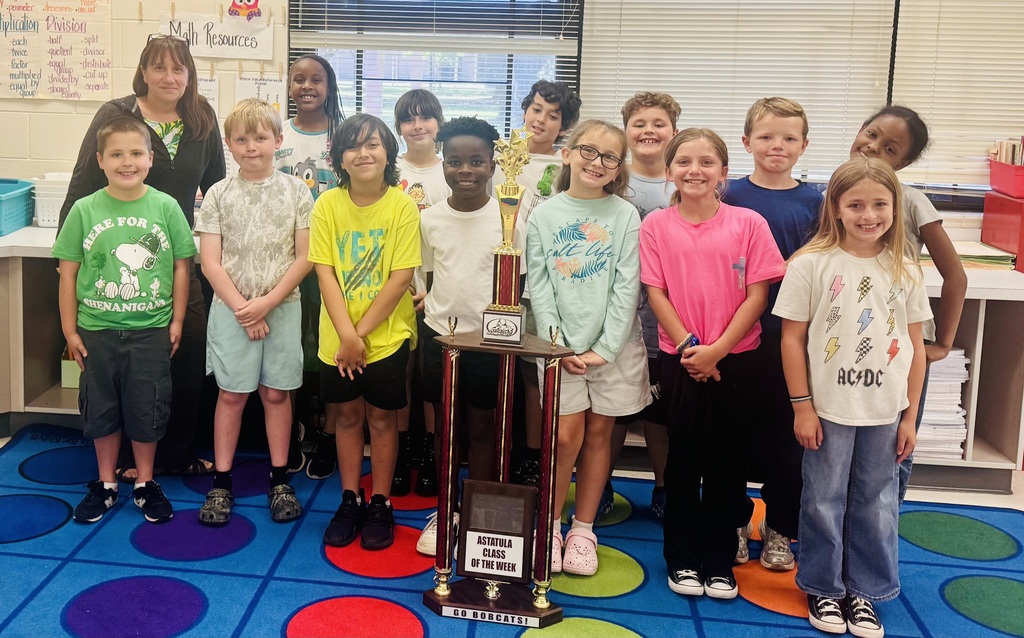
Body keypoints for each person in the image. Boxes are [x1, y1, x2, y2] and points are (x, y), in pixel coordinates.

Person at [59, 34, 226, 481]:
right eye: (159, 68)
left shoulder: (201, 118)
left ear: (189, 75)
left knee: (185, 352)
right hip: (116, 254)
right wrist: (66, 257)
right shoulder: (117, 115)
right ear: (144, 71)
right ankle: (124, 462)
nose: (169, 77)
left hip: (179, 259)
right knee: (119, 365)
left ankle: (172, 456)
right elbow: (82, 183)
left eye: (179, 69)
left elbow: (217, 192)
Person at [774, 157, 930, 636]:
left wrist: (909, 418)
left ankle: (866, 590)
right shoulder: (809, 265)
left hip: (886, 409)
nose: (869, 215)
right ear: (835, 208)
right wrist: (802, 405)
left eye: (880, 204)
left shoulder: (904, 268)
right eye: (856, 204)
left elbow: (915, 346)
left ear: (894, 206)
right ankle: (824, 587)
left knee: (878, 501)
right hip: (827, 408)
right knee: (823, 498)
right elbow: (791, 340)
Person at [640, 128, 785, 600]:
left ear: (724, 172)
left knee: (728, 465)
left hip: (738, 361)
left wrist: (717, 350)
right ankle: (681, 559)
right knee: (682, 463)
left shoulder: (748, 223)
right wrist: (690, 348)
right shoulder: (656, 226)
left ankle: (719, 560)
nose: (694, 171)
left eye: (706, 162)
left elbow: (757, 295)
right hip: (680, 360)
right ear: (669, 172)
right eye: (683, 162)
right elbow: (655, 292)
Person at [54, 116, 196, 524]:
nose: (126, 162)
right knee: (101, 408)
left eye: (135, 153)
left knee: (146, 408)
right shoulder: (84, 209)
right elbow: (68, 272)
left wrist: (178, 320)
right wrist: (69, 329)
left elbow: (182, 267)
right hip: (96, 331)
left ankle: (145, 482)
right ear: (100, 160)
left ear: (151, 159)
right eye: (116, 154)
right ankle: (106, 484)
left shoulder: (166, 207)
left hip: (150, 330)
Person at [526, 120, 651, 576]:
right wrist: (559, 346)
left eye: (609, 157)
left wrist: (604, 348)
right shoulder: (543, 214)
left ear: (619, 167)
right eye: (589, 151)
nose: (597, 162)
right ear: (567, 153)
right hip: (559, 349)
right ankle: (549, 527)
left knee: (600, 435)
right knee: (563, 437)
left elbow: (627, 285)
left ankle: (582, 529)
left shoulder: (624, 215)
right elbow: (538, 288)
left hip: (614, 349)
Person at [195, 99, 314, 526]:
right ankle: (222, 482)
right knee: (231, 394)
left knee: (276, 393)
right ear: (228, 144)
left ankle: (280, 478)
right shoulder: (218, 194)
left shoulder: (298, 192)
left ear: (278, 141)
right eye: (241, 139)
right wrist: (246, 309)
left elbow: (304, 258)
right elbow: (210, 262)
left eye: (260, 138)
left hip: (282, 306)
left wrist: (266, 303)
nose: (251, 147)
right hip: (230, 308)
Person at [309, 114, 421, 550]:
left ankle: (381, 501)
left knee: (382, 419)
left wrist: (362, 334)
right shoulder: (327, 205)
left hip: (387, 338)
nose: (364, 153)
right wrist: (347, 336)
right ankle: (350, 497)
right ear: (339, 158)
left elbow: (400, 277)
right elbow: (325, 273)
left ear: (389, 152)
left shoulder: (402, 206)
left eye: (373, 144)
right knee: (348, 418)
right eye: (353, 146)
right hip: (338, 339)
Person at [414, 116, 524, 555]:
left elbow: (519, 280)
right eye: (455, 160)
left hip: (491, 344)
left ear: (493, 165)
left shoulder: (510, 217)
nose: (465, 170)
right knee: (446, 429)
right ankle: (448, 510)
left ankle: (479, 517)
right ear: (442, 163)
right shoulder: (430, 219)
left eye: (477, 161)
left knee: (484, 431)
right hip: (441, 338)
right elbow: (424, 274)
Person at [722, 97, 823, 571]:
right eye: (765, 136)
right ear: (746, 143)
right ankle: (736, 521)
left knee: (788, 441)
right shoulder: (730, 197)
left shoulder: (816, 202)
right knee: (736, 435)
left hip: (794, 340)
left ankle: (781, 526)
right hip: (740, 334)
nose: (776, 145)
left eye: (787, 138)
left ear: (803, 146)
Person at [849, 106, 967, 503]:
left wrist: (943, 343)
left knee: (894, 441)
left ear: (904, 162)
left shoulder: (911, 201)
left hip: (900, 343)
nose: (873, 147)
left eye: (890, 148)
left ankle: (885, 523)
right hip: (847, 340)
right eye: (872, 133)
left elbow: (956, 275)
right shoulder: (838, 194)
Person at [498, 79, 583, 488]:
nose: (541, 120)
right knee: (495, 362)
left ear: (564, 127)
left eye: (553, 116)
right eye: (536, 110)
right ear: (524, 110)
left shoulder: (566, 166)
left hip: (541, 278)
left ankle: (532, 454)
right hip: (496, 270)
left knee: (534, 369)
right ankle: (497, 448)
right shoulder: (501, 155)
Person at [606, 91, 681, 522]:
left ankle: (664, 485)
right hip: (617, 318)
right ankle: (602, 486)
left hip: (667, 320)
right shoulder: (614, 179)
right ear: (626, 130)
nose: (648, 131)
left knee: (659, 411)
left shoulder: (683, 181)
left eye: (658, 124)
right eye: (639, 123)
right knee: (612, 412)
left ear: (672, 131)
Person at [274, 54, 344, 482]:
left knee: (333, 348)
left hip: (336, 262)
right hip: (289, 260)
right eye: (298, 79)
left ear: (329, 86)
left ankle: (332, 435)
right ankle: (297, 427)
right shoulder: (277, 134)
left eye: (316, 79)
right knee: (292, 349)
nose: (307, 86)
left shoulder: (344, 135)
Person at [391, 89, 451, 498]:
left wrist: (433, 290)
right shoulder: (388, 169)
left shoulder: (453, 170)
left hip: (439, 291)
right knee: (400, 375)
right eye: (409, 119)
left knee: (432, 378)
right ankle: (399, 454)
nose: (418, 126)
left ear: (438, 123)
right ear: (398, 127)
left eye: (425, 118)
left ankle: (431, 454)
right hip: (395, 287)